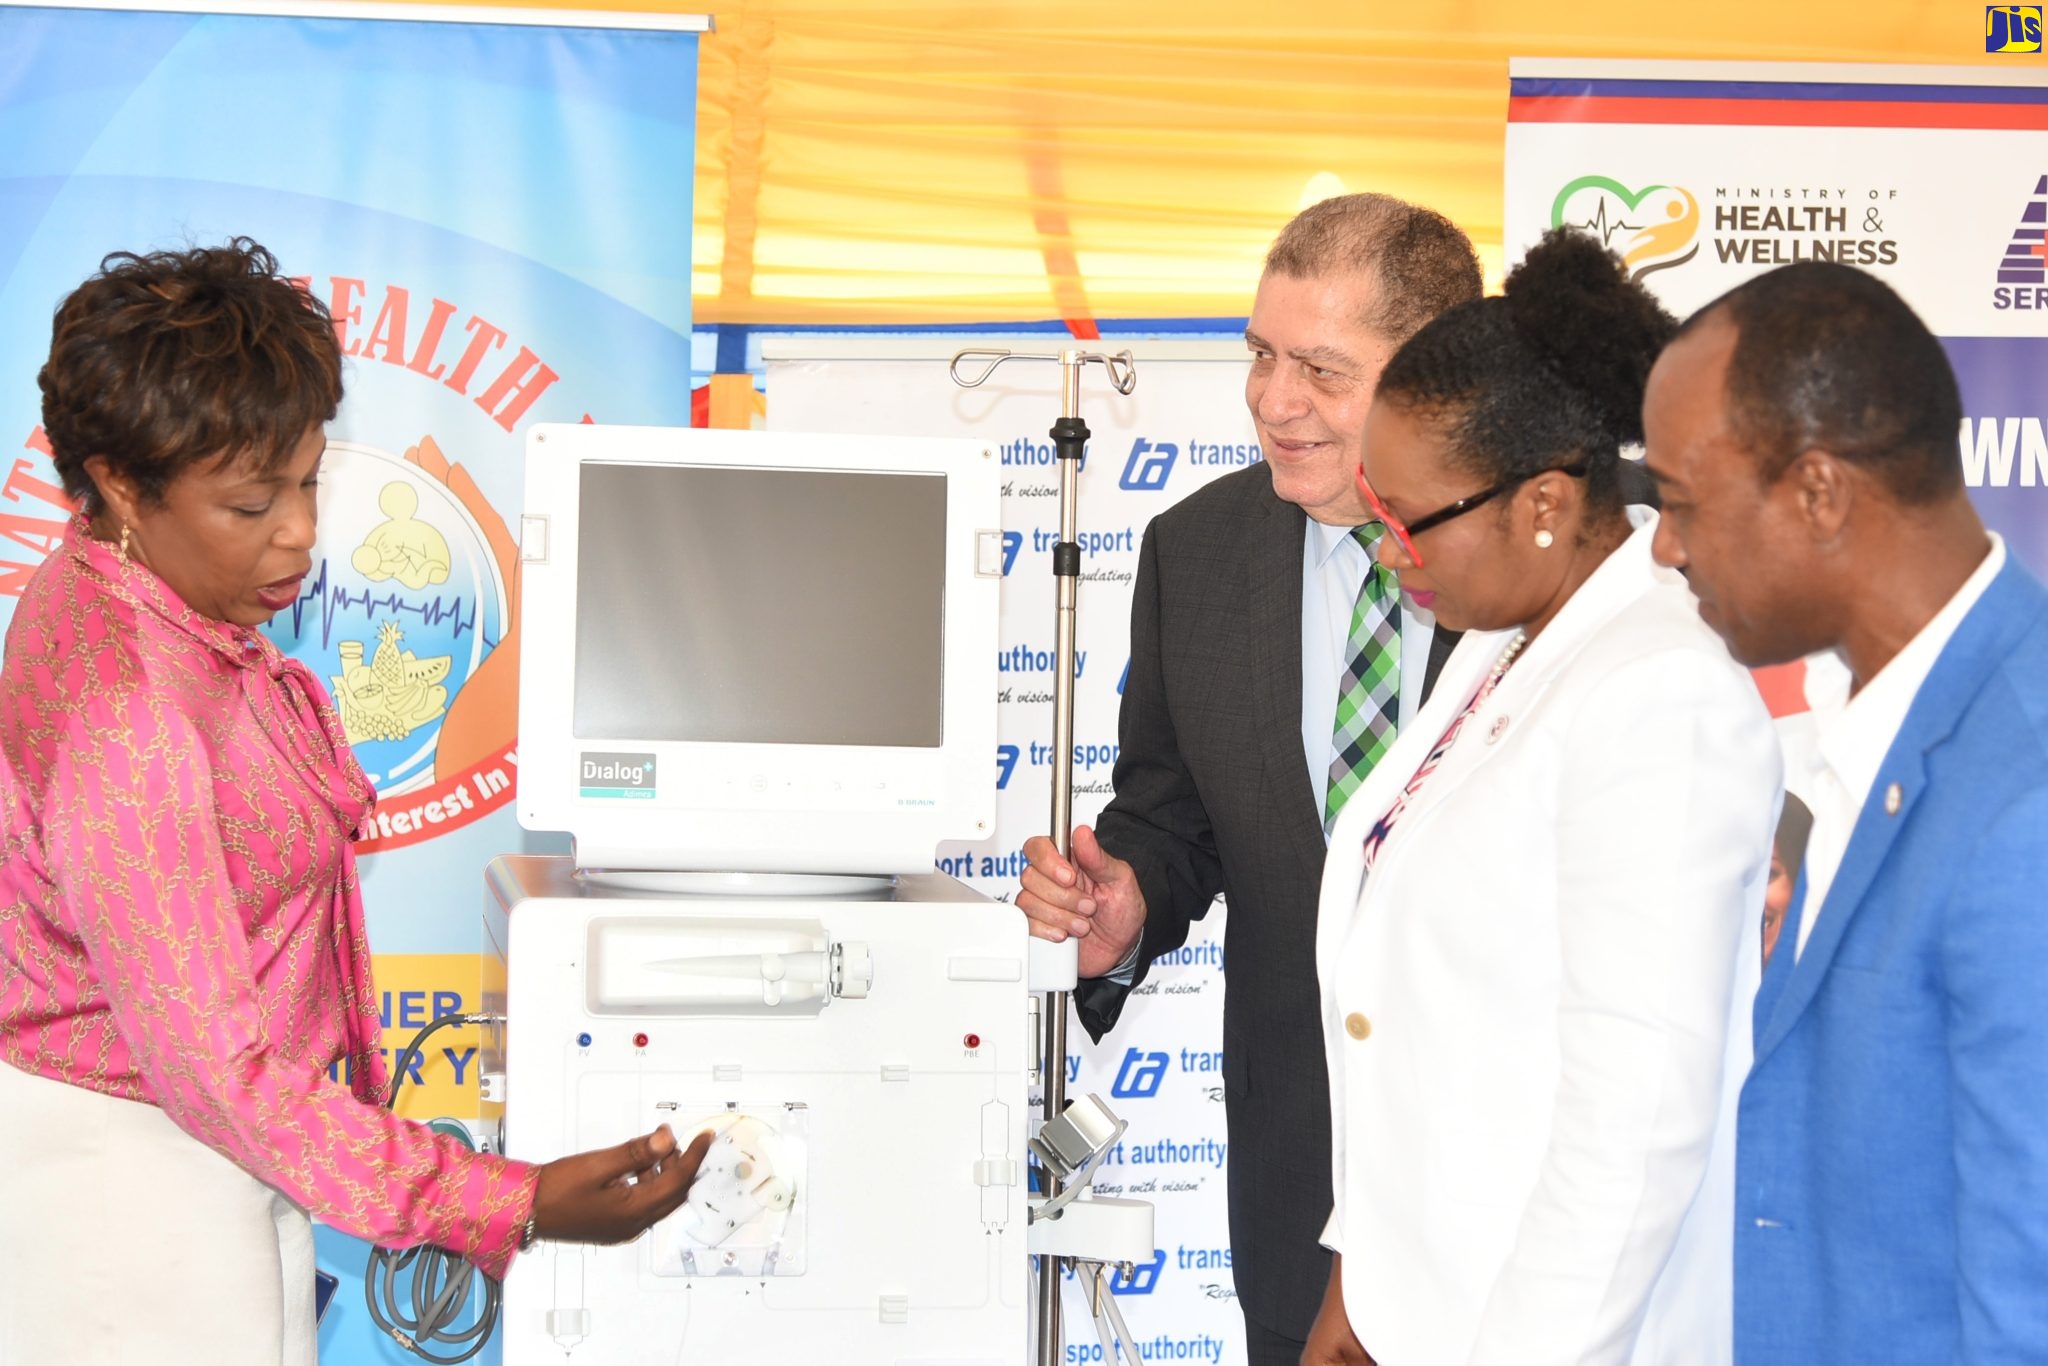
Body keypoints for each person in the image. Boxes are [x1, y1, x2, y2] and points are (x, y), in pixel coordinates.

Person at [0, 240, 712, 1366]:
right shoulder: (126, 709)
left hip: (212, 1153)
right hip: (132, 1189)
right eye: (248, 502)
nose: (298, 531)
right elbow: (216, 1071)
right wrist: (508, 1200)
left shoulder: (154, 602)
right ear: (120, 483)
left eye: (306, 478)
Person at [1013, 193, 1480, 1362]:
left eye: (1321, 368)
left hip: (1514, 1197)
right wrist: (1123, 900)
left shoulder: (1558, 551)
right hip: (1296, 1202)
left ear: (1436, 378)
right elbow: (1170, 822)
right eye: (1261, 356)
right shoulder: (1195, 553)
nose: (1275, 400)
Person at [1305, 229, 1781, 1366]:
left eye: (1407, 519)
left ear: (1542, 504)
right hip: (1419, 1304)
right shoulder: (1505, 648)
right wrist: (1360, 1285)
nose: (1385, 550)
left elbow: (1635, 1121)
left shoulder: (1658, 689)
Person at [1643, 261, 2048, 1364]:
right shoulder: (1879, 727)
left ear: (1817, 492)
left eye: (1680, 503)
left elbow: (2029, 1292)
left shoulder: (2024, 800)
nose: (1664, 547)